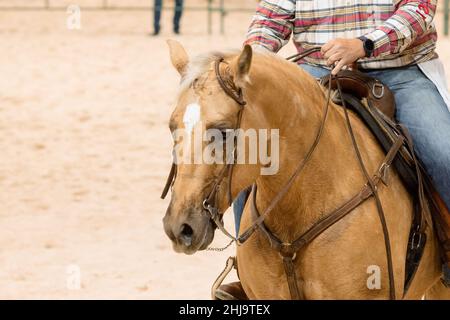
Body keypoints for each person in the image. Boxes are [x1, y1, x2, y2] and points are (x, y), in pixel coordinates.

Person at [219, 0, 450, 299]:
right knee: (252, 152)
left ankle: (446, 250)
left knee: (444, 153)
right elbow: (272, 15)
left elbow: (418, 9)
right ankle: (249, 272)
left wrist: (364, 44)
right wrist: (252, 64)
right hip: (315, 72)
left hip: (400, 70)